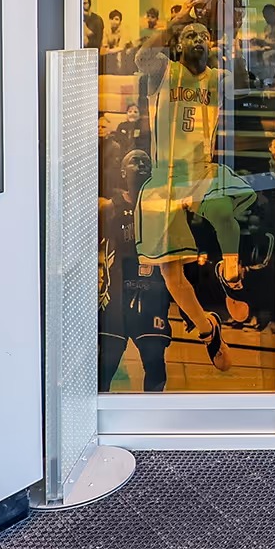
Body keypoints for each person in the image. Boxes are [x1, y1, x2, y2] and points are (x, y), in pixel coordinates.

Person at [133, 7, 257, 373]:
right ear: (178, 44)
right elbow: (142, 56)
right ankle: (208, 330)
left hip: (200, 170)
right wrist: (177, 21)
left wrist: (231, 30)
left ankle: (231, 276)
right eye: (190, 36)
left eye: (203, 35)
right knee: (171, 275)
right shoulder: (163, 73)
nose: (197, 40)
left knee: (223, 212)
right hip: (165, 177)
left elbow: (246, 81)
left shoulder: (218, 76)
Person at [97, 150, 173, 392]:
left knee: (155, 365)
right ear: (122, 172)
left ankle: (152, 419)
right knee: (104, 369)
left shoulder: (163, 210)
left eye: (146, 161)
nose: (141, 164)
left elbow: (175, 261)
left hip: (151, 298)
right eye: (134, 160)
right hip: (116, 299)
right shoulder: (107, 207)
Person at [101, 9, 134, 74]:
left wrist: (109, 51)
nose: (113, 21)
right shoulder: (106, 30)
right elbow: (105, 46)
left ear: (120, 21)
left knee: (119, 55)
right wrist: (107, 50)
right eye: (111, 19)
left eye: (116, 19)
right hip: (113, 52)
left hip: (126, 54)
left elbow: (121, 48)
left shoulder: (124, 29)